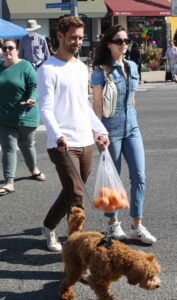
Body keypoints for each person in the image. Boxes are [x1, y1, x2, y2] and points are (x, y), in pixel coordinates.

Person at [37, 16, 109, 252]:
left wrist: (99, 130)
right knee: (77, 196)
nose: (77, 42)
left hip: (85, 141)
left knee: (71, 191)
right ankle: (79, 252)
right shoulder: (48, 69)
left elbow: (83, 105)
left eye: (80, 37)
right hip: (61, 144)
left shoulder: (80, 67)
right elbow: (45, 109)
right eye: (73, 38)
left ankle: (48, 226)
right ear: (59, 36)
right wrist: (58, 135)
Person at [91, 24, 156, 244]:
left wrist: (133, 118)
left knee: (139, 176)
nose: (124, 45)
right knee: (113, 177)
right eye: (119, 41)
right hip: (111, 130)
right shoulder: (101, 70)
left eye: (126, 41)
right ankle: (112, 224)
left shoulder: (132, 66)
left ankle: (137, 224)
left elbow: (132, 98)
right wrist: (98, 132)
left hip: (132, 128)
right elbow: (97, 105)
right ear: (109, 44)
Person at [0, 39, 45, 196]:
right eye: (4, 48)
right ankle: (9, 182)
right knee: (8, 147)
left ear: (17, 50)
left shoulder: (25, 66)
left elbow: (35, 87)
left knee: (26, 145)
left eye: (10, 48)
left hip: (26, 115)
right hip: (4, 117)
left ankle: (34, 169)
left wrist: (32, 99)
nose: (7, 50)